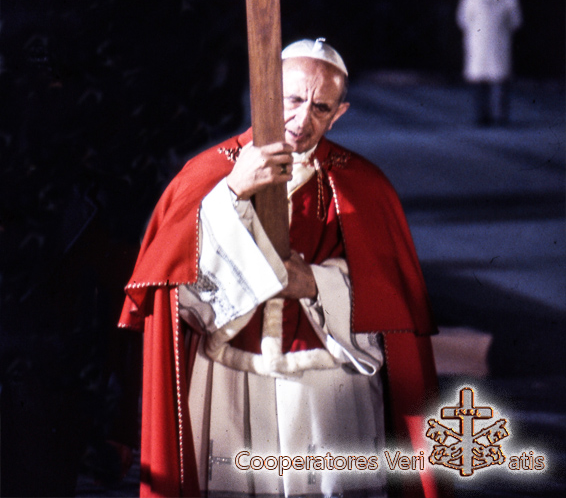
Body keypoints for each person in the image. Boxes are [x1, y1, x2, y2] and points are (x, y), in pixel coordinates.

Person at [119, 38, 440, 498]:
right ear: (265, 93)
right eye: (292, 99)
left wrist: (316, 283)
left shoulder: (363, 185)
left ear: (339, 113)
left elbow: (391, 305)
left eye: (320, 107)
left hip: (327, 384)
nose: (302, 120)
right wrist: (232, 193)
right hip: (229, 380)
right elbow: (173, 290)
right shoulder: (208, 173)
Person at [456, 0, 523, 125]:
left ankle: (500, 116)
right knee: (479, 83)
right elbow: (463, 19)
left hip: (499, 44)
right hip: (478, 45)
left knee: (499, 82)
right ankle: (481, 116)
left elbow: (515, 21)